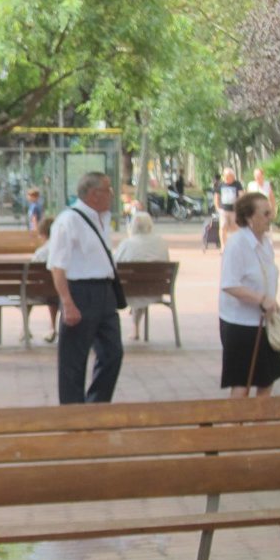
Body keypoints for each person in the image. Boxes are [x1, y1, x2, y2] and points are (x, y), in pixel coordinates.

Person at [47, 171, 124, 404]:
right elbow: (57, 266)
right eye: (108, 190)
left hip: (105, 292)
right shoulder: (68, 221)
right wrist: (67, 303)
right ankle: (73, 412)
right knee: (73, 360)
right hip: (80, 293)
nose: (112, 195)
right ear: (93, 194)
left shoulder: (102, 218)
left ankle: (96, 405)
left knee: (113, 353)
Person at [219, 192, 280, 397]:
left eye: (270, 212)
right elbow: (229, 284)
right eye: (265, 213)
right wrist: (261, 299)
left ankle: (261, 418)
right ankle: (236, 419)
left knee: (267, 380)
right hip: (241, 325)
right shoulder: (237, 244)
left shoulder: (265, 242)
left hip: (264, 322)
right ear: (249, 217)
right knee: (242, 383)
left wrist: (271, 301)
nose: (270, 217)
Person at [114, 212, 171, 341]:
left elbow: (115, 263)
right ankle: (135, 328)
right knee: (141, 287)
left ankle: (134, 330)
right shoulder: (161, 242)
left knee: (135, 286)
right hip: (156, 290)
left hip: (128, 292)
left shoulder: (127, 244)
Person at [29, 215, 59, 343]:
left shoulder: (41, 252)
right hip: (63, 291)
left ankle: (25, 328)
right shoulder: (65, 249)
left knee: (27, 291)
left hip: (42, 292)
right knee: (52, 293)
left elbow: (31, 275)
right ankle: (52, 327)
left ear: (43, 234)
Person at [213, 167, 242, 249]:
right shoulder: (221, 185)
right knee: (223, 227)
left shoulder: (237, 184)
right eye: (226, 176)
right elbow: (216, 196)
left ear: (233, 176)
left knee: (235, 228)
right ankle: (223, 246)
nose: (227, 178)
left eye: (229, 176)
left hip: (234, 210)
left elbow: (241, 195)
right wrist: (217, 207)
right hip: (223, 210)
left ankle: (235, 246)